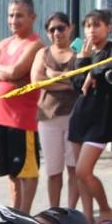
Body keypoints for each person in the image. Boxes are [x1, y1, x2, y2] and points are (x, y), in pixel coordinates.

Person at [0, 0, 44, 213]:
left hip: (22, 118)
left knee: (26, 169)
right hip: (1, 116)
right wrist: (3, 72)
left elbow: (17, 71)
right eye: (11, 15)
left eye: (19, 15)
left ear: (32, 17)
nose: (14, 20)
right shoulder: (4, 43)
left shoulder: (35, 44)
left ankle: (25, 212)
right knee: (11, 170)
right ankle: (16, 209)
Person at [68, 9, 112, 224]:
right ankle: (87, 218)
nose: (92, 30)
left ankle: (106, 211)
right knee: (79, 174)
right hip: (81, 118)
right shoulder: (85, 53)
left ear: (108, 27)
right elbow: (77, 86)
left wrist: (94, 73)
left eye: (97, 25)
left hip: (100, 122)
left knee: (84, 170)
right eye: (88, 26)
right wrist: (82, 61)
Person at [31, 11, 80, 209]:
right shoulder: (42, 53)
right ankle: (55, 210)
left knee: (73, 168)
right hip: (48, 117)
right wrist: (66, 81)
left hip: (74, 116)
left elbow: (79, 81)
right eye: (52, 29)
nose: (57, 33)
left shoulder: (79, 53)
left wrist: (53, 76)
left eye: (61, 27)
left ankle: (71, 211)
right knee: (53, 170)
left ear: (70, 28)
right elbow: (37, 82)